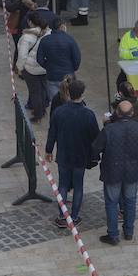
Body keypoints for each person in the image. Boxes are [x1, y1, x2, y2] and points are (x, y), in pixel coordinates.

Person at [92, 99, 138, 245]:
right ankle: (128, 231)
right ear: (132, 113)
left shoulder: (109, 130)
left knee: (112, 202)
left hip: (112, 171)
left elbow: (95, 148)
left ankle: (113, 235)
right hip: (132, 171)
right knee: (130, 201)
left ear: (117, 113)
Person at [44, 79, 99, 229]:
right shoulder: (88, 115)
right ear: (82, 94)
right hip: (80, 155)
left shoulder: (59, 112)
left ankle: (62, 215)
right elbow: (96, 137)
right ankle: (74, 216)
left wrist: (48, 150)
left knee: (62, 184)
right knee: (78, 186)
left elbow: (52, 133)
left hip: (63, 154)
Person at [35, 16, 81, 105]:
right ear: (62, 26)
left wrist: (48, 67)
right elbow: (77, 59)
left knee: (55, 101)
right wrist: (72, 69)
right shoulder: (70, 40)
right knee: (70, 99)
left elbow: (39, 59)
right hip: (68, 75)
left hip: (52, 75)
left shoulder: (44, 40)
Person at [16, 14, 49, 122]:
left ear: (30, 22)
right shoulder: (48, 33)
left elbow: (22, 55)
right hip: (44, 67)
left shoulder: (26, 37)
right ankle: (43, 109)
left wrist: (19, 68)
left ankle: (38, 114)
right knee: (43, 89)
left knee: (35, 92)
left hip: (30, 69)